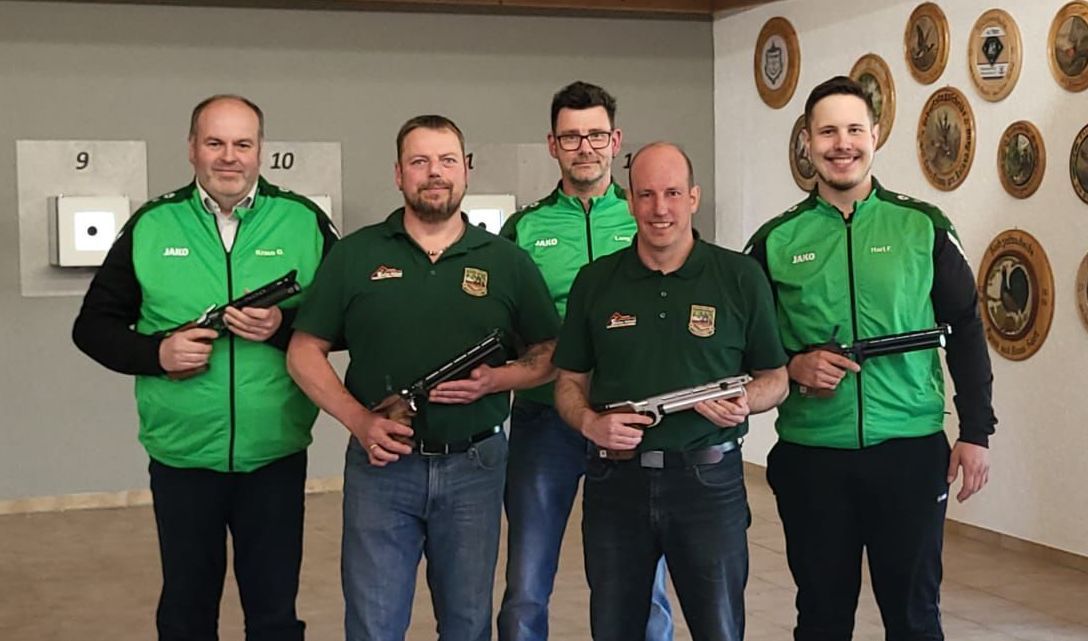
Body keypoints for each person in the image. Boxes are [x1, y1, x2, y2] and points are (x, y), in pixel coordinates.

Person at [72, 94, 339, 641]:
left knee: (274, 615)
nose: (229, 157)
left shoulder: (304, 220)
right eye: (215, 142)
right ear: (191, 148)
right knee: (187, 614)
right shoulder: (152, 223)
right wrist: (156, 354)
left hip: (275, 453)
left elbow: (353, 320)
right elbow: (92, 327)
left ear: (261, 150)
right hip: (182, 455)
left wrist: (281, 327)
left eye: (242, 143)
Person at [285, 115, 561, 641]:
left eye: (447, 160)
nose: (435, 172)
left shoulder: (507, 261)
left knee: (467, 625)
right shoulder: (355, 255)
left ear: (466, 170)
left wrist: (497, 380)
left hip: (476, 465)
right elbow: (303, 351)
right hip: (381, 467)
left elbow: (550, 351)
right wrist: (359, 421)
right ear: (398, 174)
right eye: (420, 161)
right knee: (373, 626)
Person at [744, 75, 997, 641]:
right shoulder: (774, 241)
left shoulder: (923, 227)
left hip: (909, 452)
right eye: (828, 132)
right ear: (806, 141)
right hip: (812, 458)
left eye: (855, 130)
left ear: (875, 135)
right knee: (822, 619)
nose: (843, 144)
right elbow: (743, 346)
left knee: (914, 619)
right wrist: (793, 366)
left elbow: (966, 329)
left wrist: (976, 431)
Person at [553, 142, 789, 641]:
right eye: (647, 195)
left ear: (694, 198)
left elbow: (776, 377)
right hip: (616, 484)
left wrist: (746, 401)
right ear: (630, 200)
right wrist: (591, 423)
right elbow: (569, 383)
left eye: (673, 193)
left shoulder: (740, 276)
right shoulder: (595, 281)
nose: (660, 208)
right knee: (614, 628)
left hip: (709, 484)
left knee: (719, 629)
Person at [497, 80, 673, 641]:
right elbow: (504, 321)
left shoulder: (646, 216)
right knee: (527, 579)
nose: (585, 148)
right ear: (552, 145)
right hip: (544, 419)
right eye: (571, 137)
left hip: (630, 417)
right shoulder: (525, 228)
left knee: (641, 579)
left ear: (615, 141)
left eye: (596, 135)